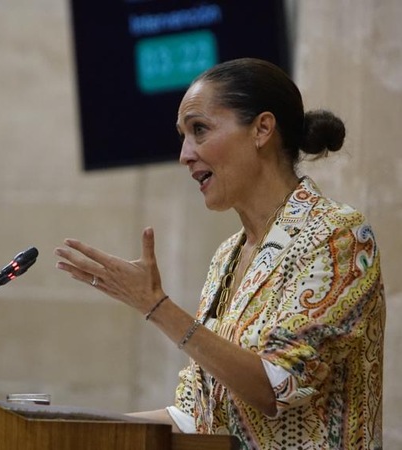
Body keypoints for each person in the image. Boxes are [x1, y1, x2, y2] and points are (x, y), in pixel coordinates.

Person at [54, 58, 385, 449]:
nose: (184, 154)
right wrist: (63, 430)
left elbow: (276, 387)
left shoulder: (338, 236)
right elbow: (196, 416)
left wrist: (157, 306)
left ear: (262, 129)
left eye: (199, 130)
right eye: (183, 135)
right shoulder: (227, 256)